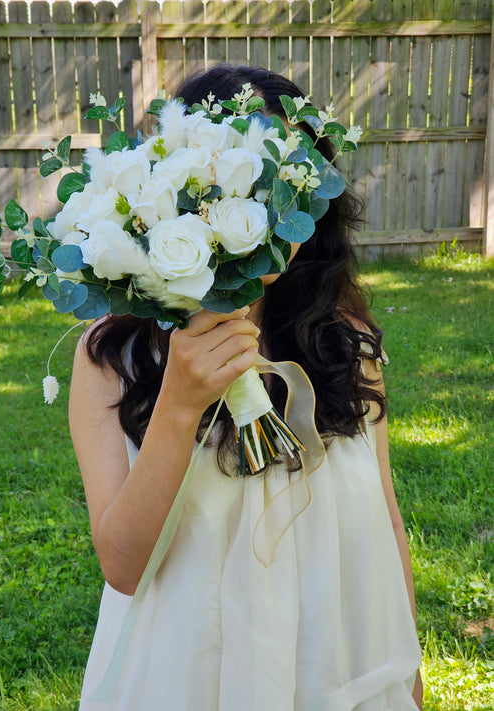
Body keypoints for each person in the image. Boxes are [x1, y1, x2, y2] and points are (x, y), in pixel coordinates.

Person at [70, 64, 423, 710]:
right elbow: (121, 566)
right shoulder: (112, 357)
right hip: (184, 678)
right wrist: (177, 404)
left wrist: (405, 672)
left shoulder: (343, 337)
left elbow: (384, 517)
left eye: (274, 185)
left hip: (333, 670)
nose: (251, 213)